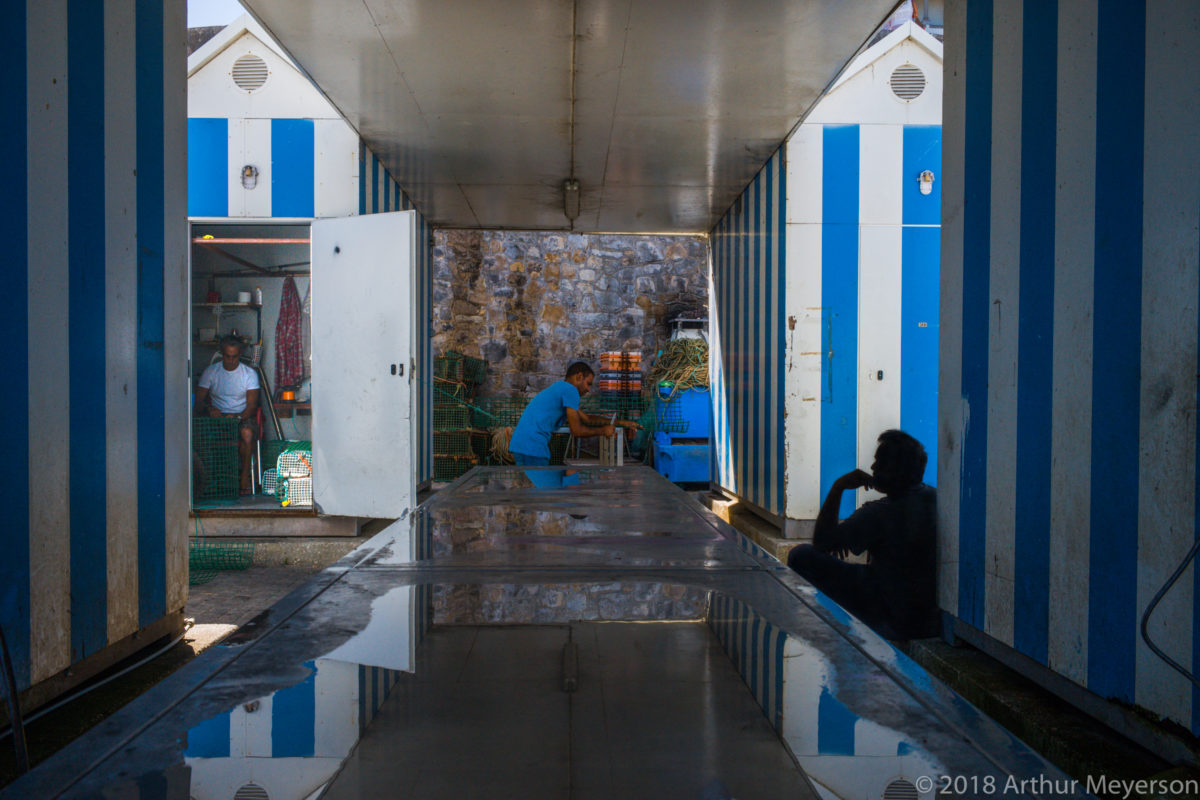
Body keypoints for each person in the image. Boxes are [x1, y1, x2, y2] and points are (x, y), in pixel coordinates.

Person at [787, 429, 938, 640]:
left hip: (892, 616)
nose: (873, 468)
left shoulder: (879, 512)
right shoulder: (934, 498)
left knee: (800, 555)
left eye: (880, 463)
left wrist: (838, 488)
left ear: (896, 469)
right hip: (928, 620)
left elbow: (822, 543)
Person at [508, 361, 640, 466]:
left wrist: (621, 423)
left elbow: (587, 419)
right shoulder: (571, 390)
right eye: (588, 384)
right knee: (542, 495)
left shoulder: (560, 388)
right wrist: (603, 431)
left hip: (519, 446)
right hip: (533, 448)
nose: (588, 390)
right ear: (579, 377)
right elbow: (577, 430)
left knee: (531, 495)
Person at [195, 337, 260, 494]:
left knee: (247, 433)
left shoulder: (249, 374)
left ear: (240, 354)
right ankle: (207, 481)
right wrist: (210, 409)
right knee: (200, 435)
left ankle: (244, 477)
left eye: (235, 356)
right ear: (222, 354)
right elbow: (198, 401)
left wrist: (237, 418)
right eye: (227, 356)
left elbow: (251, 406)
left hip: (241, 415)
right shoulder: (211, 372)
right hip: (217, 418)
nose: (231, 360)